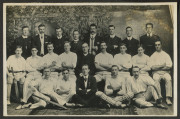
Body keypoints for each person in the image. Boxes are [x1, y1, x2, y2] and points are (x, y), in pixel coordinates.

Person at [149, 40, 173, 105]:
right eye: (156, 45)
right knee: (155, 79)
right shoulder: (153, 55)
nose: (157, 46)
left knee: (168, 79)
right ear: (154, 46)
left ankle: (168, 98)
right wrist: (162, 65)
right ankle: (160, 97)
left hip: (165, 72)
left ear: (161, 45)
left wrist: (158, 66)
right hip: (156, 72)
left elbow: (169, 66)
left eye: (158, 45)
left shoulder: (166, 55)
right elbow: (152, 67)